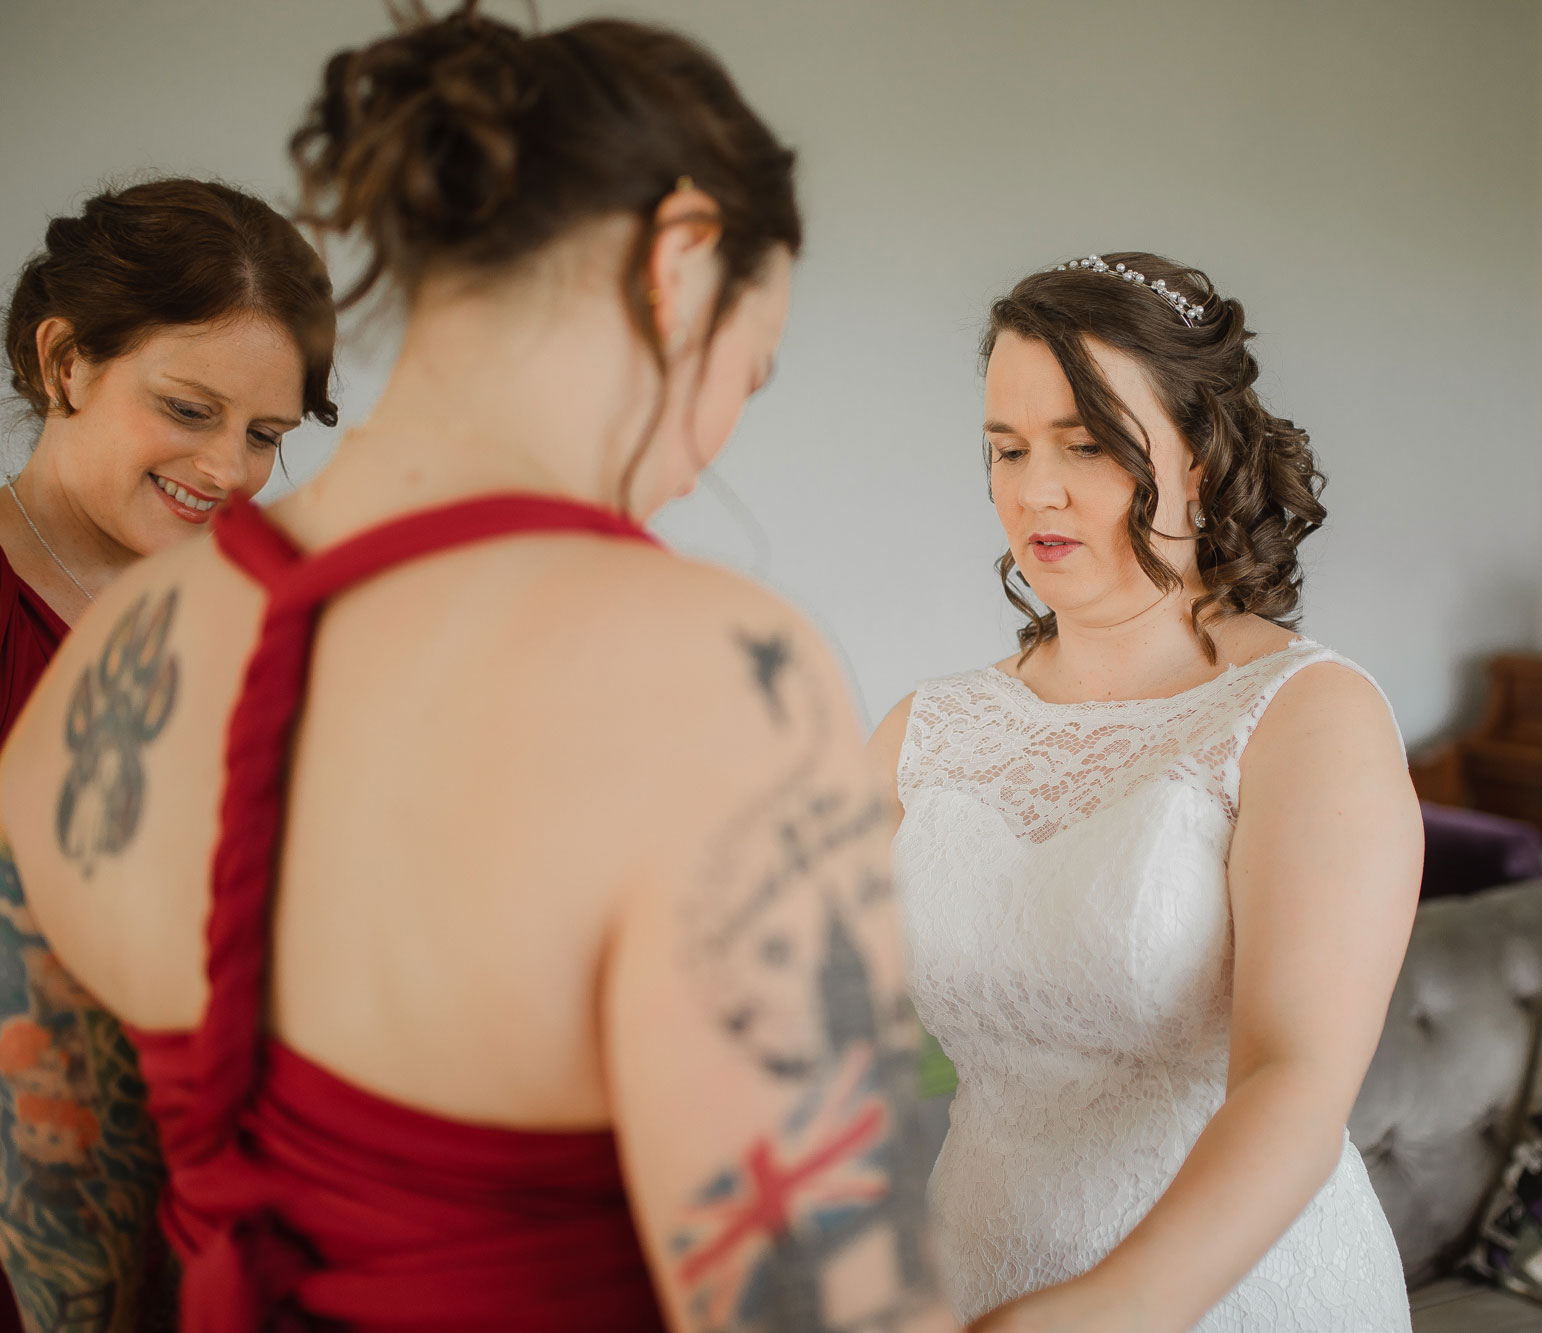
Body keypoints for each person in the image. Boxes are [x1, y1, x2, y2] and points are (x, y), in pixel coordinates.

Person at [0, 7, 954, 1331]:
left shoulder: (109, 664)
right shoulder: (721, 675)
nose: (715, 439)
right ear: (680, 258)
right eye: (754, 365)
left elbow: (66, 1263)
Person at [870, 253, 1421, 1331]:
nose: (1036, 490)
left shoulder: (1305, 717)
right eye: (1007, 448)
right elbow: (776, 1007)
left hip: (1226, 1295)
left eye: (1087, 444)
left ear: (1202, 455)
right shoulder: (925, 729)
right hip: (962, 1275)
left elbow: (1294, 1080)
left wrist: (1104, 1310)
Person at [0, 175, 337, 1330]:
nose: (230, 471)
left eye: (265, 436)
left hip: (231, 1217)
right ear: (65, 362)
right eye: (189, 410)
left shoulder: (268, 620)